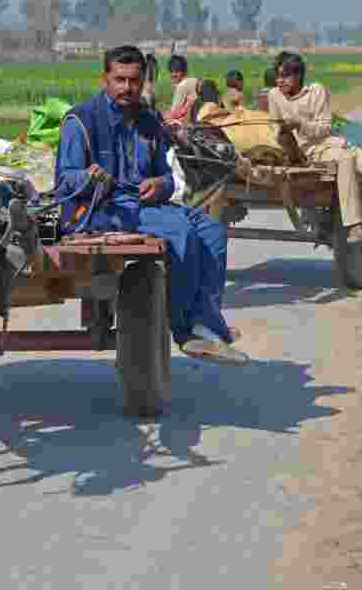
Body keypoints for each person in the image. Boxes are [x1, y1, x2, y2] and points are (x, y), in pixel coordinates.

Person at [54, 45, 249, 364]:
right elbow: (64, 182)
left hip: (144, 207)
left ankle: (206, 321)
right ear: (105, 79)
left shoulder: (149, 120)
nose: (127, 88)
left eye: (133, 80)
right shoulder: (81, 120)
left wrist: (161, 184)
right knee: (180, 230)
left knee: (212, 229)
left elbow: (168, 177)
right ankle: (186, 332)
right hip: (101, 211)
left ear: (142, 79)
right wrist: (89, 178)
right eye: (119, 80)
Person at [266, 51, 362, 241]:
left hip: (333, 143)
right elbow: (274, 128)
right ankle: (353, 225)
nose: (280, 81)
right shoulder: (274, 96)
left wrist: (300, 124)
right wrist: (284, 136)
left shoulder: (317, 91)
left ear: (298, 76)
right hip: (310, 151)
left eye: (285, 76)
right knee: (345, 160)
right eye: (278, 76)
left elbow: (324, 128)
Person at [162, 54, 200, 126]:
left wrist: (165, 115)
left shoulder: (182, 86)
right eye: (172, 71)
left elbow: (174, 111)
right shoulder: (193, 80)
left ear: (183, 72)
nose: (173, 74)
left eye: (177, 72)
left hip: (185, 122)